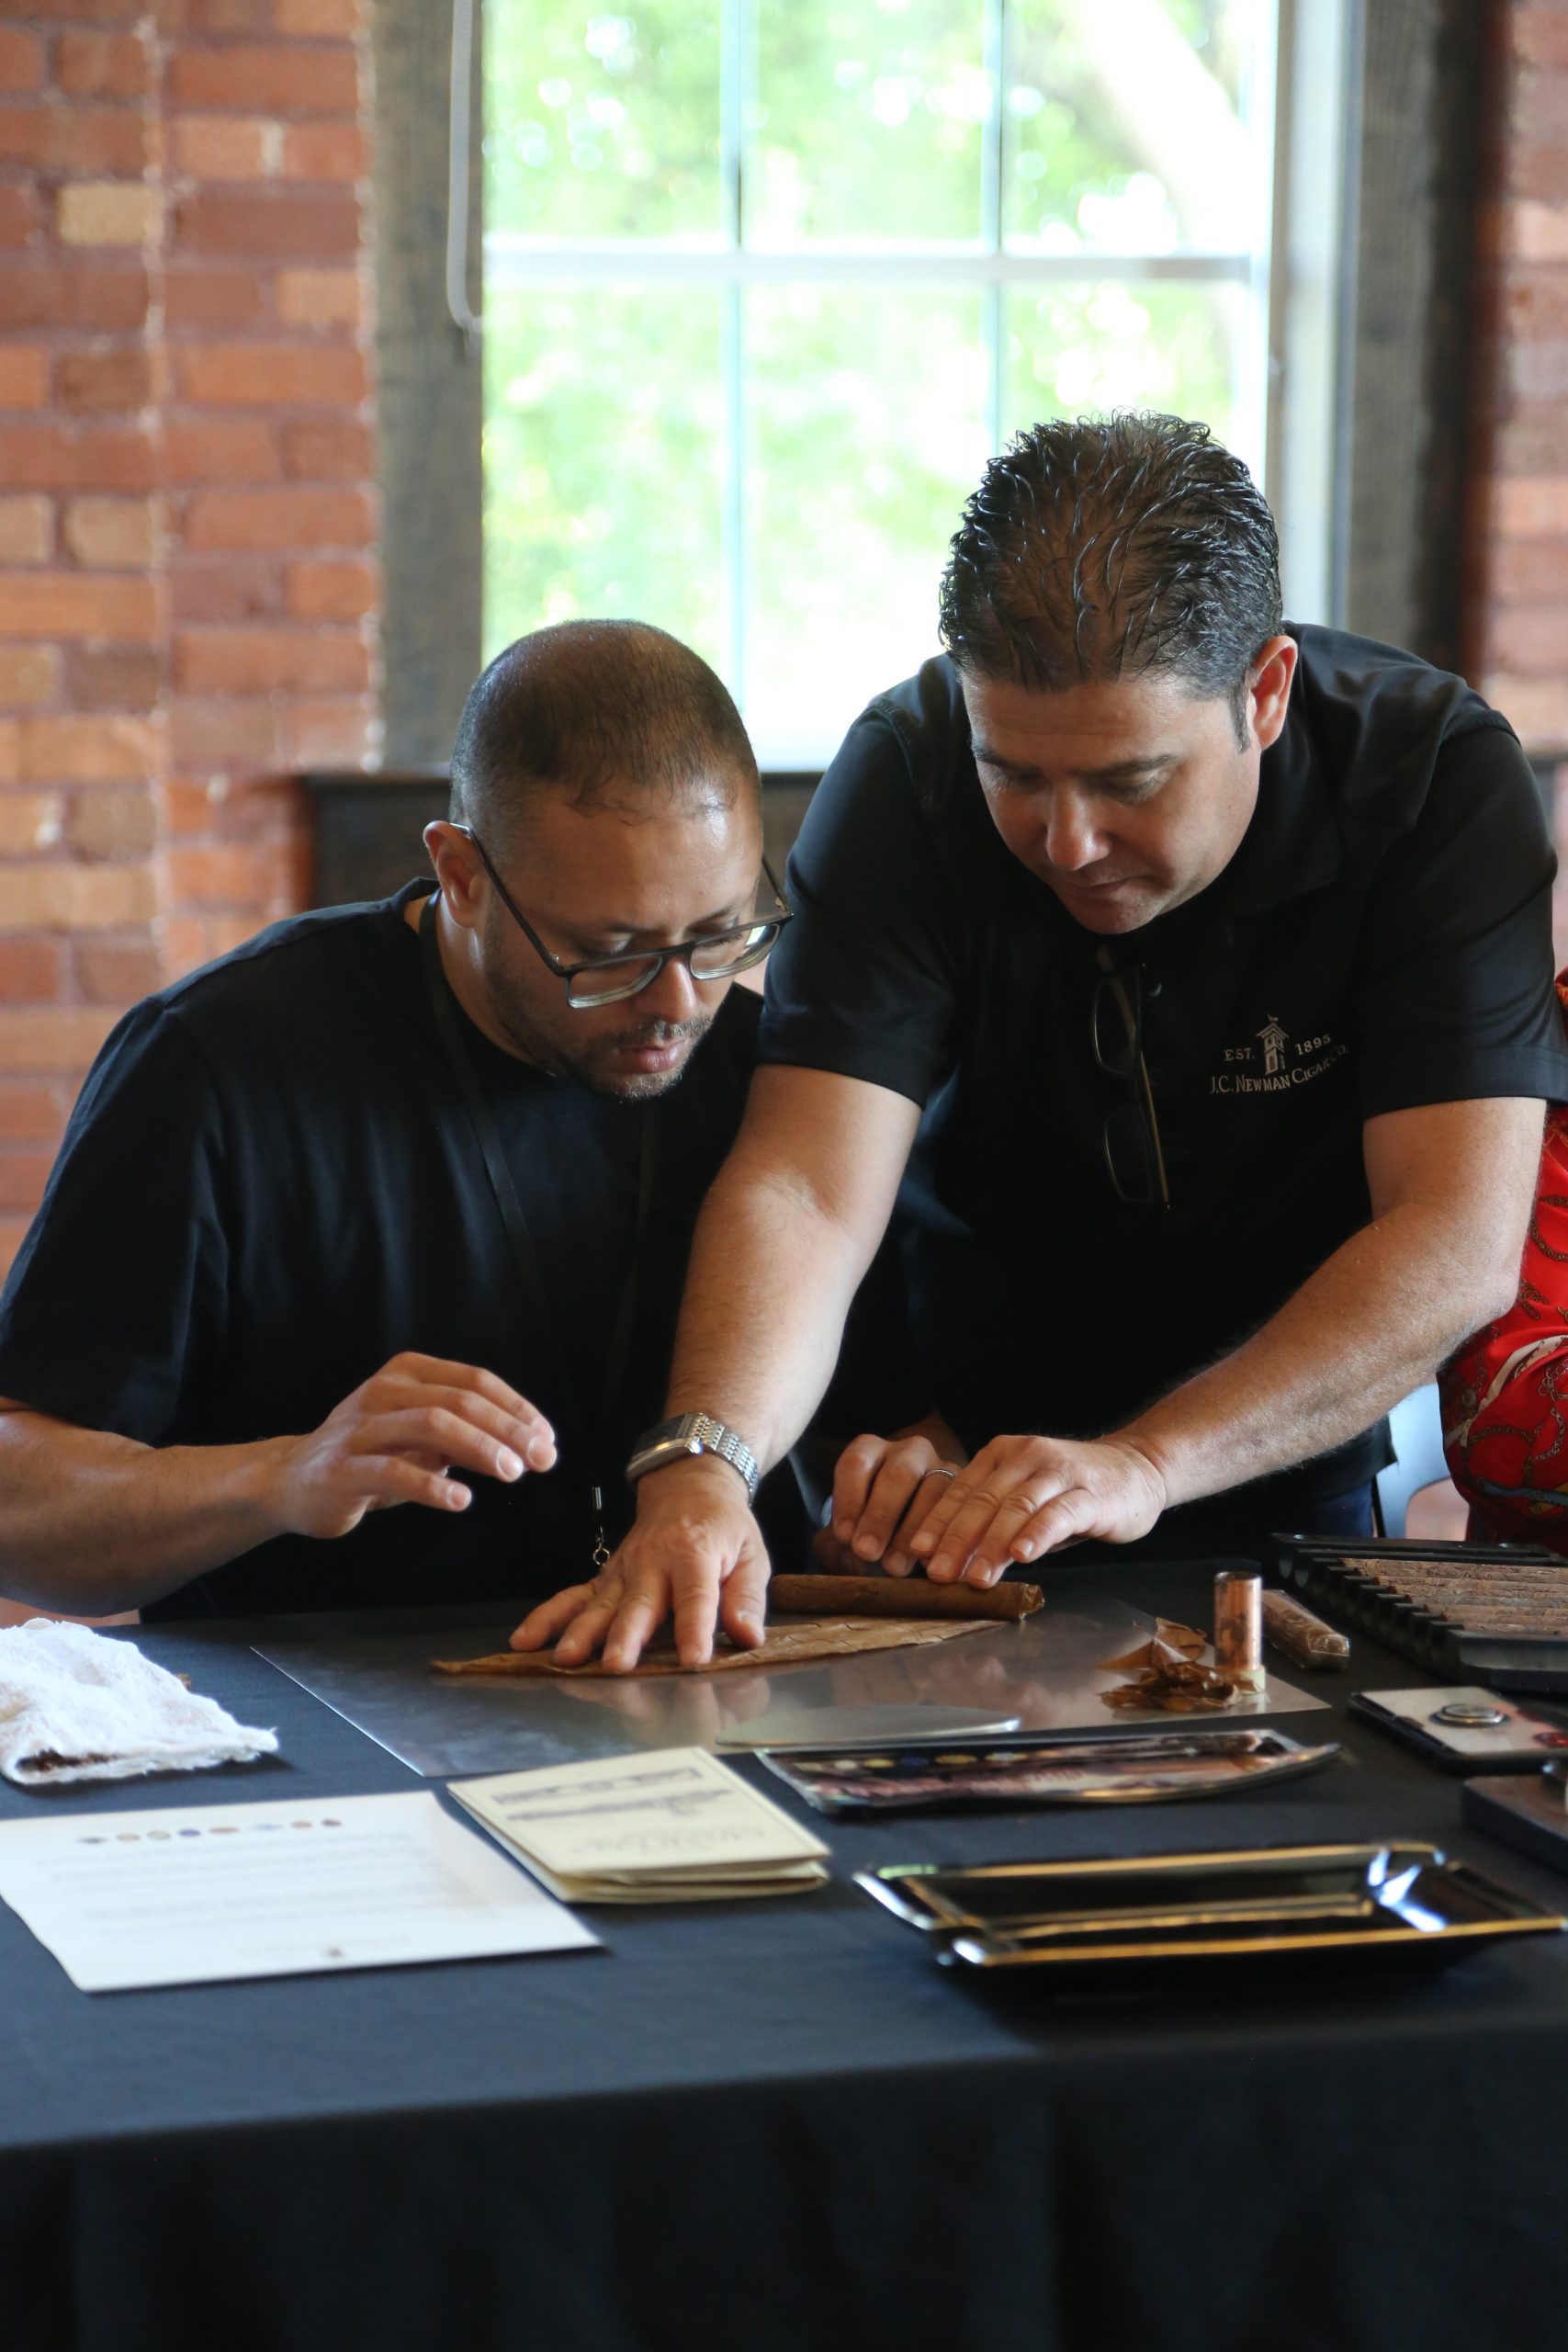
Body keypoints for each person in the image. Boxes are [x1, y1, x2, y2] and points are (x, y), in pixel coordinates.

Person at [515, 412, 1568, 1673]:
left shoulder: (1428, 781)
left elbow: (1453, 1243)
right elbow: (803, 1184)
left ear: (1264, 693)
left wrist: (1145, 1462)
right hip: (937, 1476)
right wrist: (701, 1462)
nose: (1062, 842)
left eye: (1127, 782)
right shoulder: (903, 773)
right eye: (1010, 773)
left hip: (1273, 1456)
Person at [0, 619, 829, 1623]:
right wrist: (283, 1476)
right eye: (606, 952)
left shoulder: (774, 1070)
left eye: (718, 935)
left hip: (705, 1699)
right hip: (323, 1736)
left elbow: (893, 1423)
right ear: (461, 875)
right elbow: (20, 1505)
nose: (678, 1003)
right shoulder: (219, 1063)